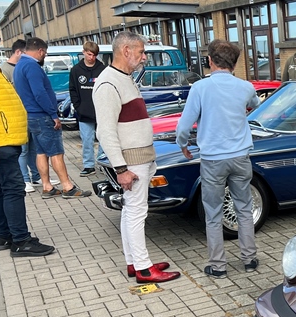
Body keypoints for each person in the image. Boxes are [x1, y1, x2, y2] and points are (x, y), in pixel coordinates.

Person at [94, 32, 180, 284]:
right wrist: (121, 169)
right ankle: (143, 268)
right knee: (136, 212)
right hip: (131, 160)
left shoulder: (124, 79)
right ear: (126, 51)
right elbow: (105, 131)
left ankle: (134, 262)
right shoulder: (108, 83)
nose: (144, 57)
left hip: (139, 157)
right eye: (141, 52)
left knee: (130, 210)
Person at [176, 40, 260, 278]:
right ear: (234, 63)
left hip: (213, 159)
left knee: (213, 213)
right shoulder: (245, 87)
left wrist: (183, 144)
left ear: (211, 61)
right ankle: (250, 259)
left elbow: (184, 126)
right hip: (240, 156)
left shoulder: (200, 88)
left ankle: (218, 266)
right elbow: (255, 104)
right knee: (244, 208)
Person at [0, 41, 56, 258]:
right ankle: (20, 241)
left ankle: (4, 236)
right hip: (0, 141)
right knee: (13, 189)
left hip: (4, 138)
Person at [13, 37, 91, 199]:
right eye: (45, 53)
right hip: (42, 116)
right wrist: (53, 114)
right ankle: (67, 187)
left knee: (41, 152)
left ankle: (47, 186)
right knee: (56, 152)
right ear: (40, 51)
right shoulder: (32, 66)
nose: (45, 56)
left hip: (31, 115)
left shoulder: (19, 65)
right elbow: (39, 93)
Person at [0, 39, 45, 193]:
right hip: (15, 117)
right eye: (25, 53)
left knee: (33, 147)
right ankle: (25, 179)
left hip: (28, 113)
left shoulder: (23, 66)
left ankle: (36, 176)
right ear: (18, 52)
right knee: (23, 150)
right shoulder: (4, 69)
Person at [69, 41, 106, 177]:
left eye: (94, 55)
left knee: (104, 139)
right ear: (83, 52)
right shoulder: (76, 70)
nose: (92, 57)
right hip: (84, 112)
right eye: (89, 54)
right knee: (86, 140)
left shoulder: (103, 69)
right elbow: (73, 90)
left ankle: (103, 163)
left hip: (101, 111)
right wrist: (78, 106)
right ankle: (89, 165)